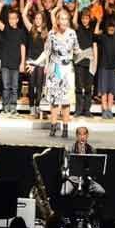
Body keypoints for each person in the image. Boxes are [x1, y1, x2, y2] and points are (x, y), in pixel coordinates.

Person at [28, 9, 78, 138]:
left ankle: (66, 128)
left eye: (66, 19)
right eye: (62, 18)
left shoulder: (72, 34)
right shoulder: (51, 34)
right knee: (54, 101)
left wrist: (88, 55)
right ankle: (53, 126)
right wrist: (35, 63)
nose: (64, 21)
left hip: (67, 70)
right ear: (57, 20)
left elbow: (77, 51)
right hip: (55, 69)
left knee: (66, 101)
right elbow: (46, 52)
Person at [61, 126, 106, 198]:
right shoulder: (69, 149)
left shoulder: (92, 149)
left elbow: (94, 167)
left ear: (87, 135)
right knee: (64, 192)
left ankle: (92, 206)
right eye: (80, 134)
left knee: (101, 191)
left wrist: (90, 176)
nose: (82, 137)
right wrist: (65, 173)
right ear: (76, 136)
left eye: (84, 134)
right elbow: (64, 165)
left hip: (87, 180)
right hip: (73, 180)